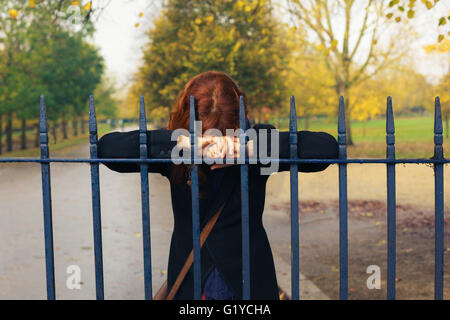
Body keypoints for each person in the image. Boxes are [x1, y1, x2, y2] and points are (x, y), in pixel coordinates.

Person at [98, 71, 339, 300]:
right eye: (208, 135)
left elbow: (327, 148)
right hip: (191, 281)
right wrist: (186, 145)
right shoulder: (175, 151)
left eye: (223, 134)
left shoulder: (257, 146)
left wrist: (249, 149)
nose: (216, 149)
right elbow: (107, 149)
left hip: (248, 283)